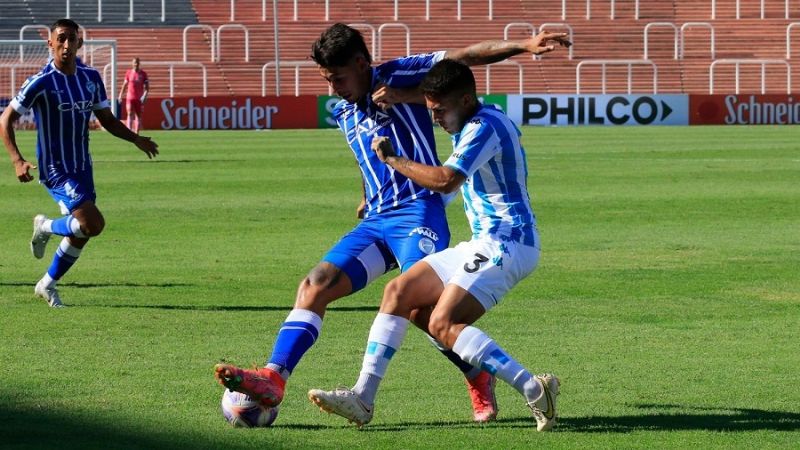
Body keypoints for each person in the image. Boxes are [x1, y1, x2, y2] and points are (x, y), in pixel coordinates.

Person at [214, 23, 569, 424]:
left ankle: (478, 375)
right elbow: (366, 159)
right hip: (378, 218)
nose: (334, 88)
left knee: (423, 309)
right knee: (316, 284)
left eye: (338, 78)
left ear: (361, 64)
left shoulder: (401, 75)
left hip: (419, 212)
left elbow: (463, 58)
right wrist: (366, 193)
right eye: (327, 80)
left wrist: (523, 45)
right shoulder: (345, 111)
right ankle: (274, 377)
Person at [308, 59, 559, 431]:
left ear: (466, 100)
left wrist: (393, 159)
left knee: (443, 322)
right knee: (399, 292)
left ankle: (533, 388)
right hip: (482, 242)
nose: (436, 118)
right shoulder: (472, 124)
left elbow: (445, 181)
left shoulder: (485, 127)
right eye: (431, 111)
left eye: (440, 110)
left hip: (509, 243)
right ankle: (362, 398)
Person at [0, 19, 159, 307]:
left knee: (82, 231)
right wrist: (17, 160)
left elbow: (107, 119)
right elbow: (5, 119)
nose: (66, 44)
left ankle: (47, 284)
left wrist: (136, 139)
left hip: (82, 166)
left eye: (71, 39)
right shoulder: (41, 82)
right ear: (50, 43)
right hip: (55, 168)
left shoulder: (91, 78)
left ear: (79, 43)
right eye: (60, 38)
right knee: (92, 223)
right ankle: (45, 227)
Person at [117, 57, 149, 134]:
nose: (136, 64)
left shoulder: (143, 74)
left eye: (137, 62)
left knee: (138, 115)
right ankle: (129, 132)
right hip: (130, 98)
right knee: (130, 113)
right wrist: (120, 95)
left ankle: (136, 133)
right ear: (132, 63)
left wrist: (145, 95)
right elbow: (125, 85)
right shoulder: (128, 73)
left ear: (139, 63)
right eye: (135, 62)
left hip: (139, 98)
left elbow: (147, 87)